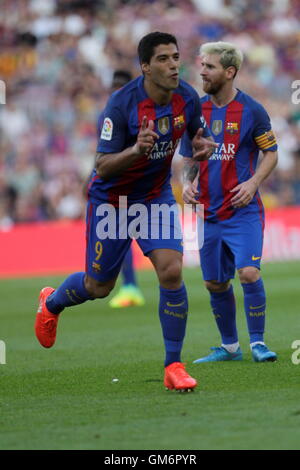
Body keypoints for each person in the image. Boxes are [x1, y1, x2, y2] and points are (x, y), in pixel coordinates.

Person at [35, 32, 217, 391]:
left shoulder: (187, 98)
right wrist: (136, 150)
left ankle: (173, 366)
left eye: (176, 56)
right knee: (98, 286)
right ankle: (51, 303)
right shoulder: (121, 106)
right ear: (146, 67)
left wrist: (201, 149)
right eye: (163, 59)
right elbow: (102, 166)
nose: (173, 65)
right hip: (113, 202)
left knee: (171, 270)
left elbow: (196, 138)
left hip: (155, 197)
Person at [181, 41, 278, 363]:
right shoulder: (194, 110)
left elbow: (271, 153)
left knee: (249, 273)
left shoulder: (252, 110)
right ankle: (230, 347)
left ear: (229, 71)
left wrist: (252, 182)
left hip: (242, 210)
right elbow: (189, 156)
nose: (202, 71)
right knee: (213, 282)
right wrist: (188, 181)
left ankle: (259, 343)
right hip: (207, 212)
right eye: (202, 65)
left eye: (209, 66)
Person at [87, 69, 146, 309]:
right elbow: (105, 154)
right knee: (124, 235)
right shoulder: (127, 111)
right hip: (129, 184)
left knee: (120, 235)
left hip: (121, 186)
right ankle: (130, 285)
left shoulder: (111, 114)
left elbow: (106, 155)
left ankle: (130, 286)